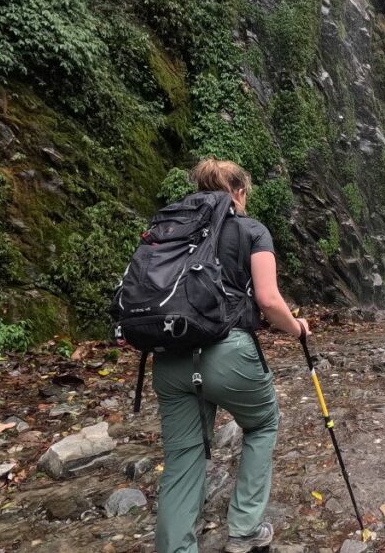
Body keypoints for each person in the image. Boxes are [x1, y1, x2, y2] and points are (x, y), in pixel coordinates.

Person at [153, 159, 310, 553]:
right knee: (262, 424)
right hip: (227, 354)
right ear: (239, 192)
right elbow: (269, 301)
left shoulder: (168, 230)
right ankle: (243, 531)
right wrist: (297, 329)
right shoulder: (251, 230)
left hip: (168, 358)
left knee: (183, 458)